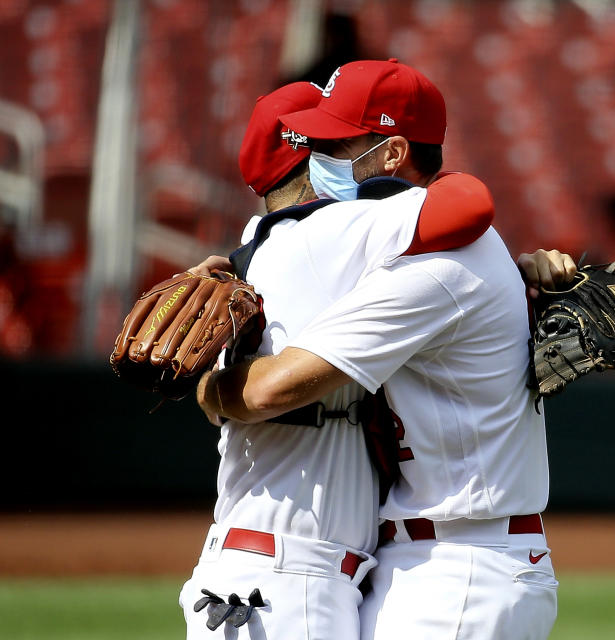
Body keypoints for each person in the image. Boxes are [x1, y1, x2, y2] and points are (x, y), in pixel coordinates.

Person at [197, 59, 571, 640]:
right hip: (415, 560)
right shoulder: (399, 250)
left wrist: (206, 386)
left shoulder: (434, 261)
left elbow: (466, 203)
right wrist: (523, 266)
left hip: (464, 564)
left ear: (392, 155)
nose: (319, 157)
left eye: (335, 143)